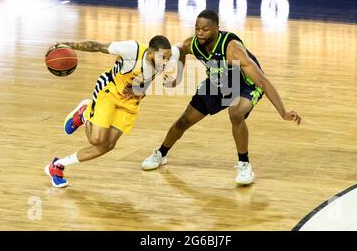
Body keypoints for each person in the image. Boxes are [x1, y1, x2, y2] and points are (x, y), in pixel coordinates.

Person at [140, 10, 301, 186]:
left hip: (247, 86)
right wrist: (175, 76)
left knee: (235, 112)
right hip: (219, 82)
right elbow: (178, 51)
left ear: (217, 28)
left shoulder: (232, 49)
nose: (200, 33)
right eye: (197, 28)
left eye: (205, 29)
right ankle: (160, 154)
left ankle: (244, 164)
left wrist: (283, 112)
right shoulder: (193, 43)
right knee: (183, 121)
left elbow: (262, 81)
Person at [44, 36, 179, 188]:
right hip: (109, 92)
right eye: (163, 58)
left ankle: (57, 166)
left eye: (168, 58)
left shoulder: (169, 55)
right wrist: (66, 44)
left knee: (107, 146)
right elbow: (97, 46)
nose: (166, 62)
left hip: (130, 102)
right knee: (96, 140)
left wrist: (148, 88)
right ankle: (84, 113)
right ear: (150, 53)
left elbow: (165, 71)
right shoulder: (131, 50)